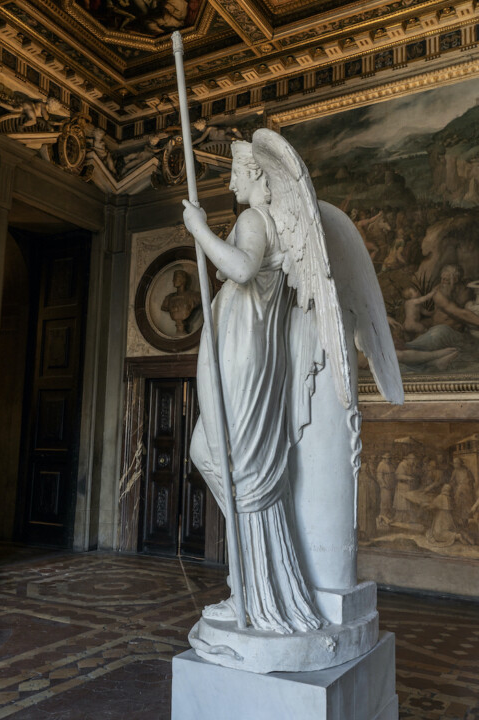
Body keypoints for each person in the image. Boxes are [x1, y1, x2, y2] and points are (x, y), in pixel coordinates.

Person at [182, 140, 322, 634]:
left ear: (258, 175)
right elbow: (235, 267)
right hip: (248, 351)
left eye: (236, 173)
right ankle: (252, 577)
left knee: (224, 459)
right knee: (212, 454)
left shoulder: (253, 220)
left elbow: (240, 269)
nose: (230, 183)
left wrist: (198, 229)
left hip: (244, 355)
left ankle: (253, 591)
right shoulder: (261, 224)